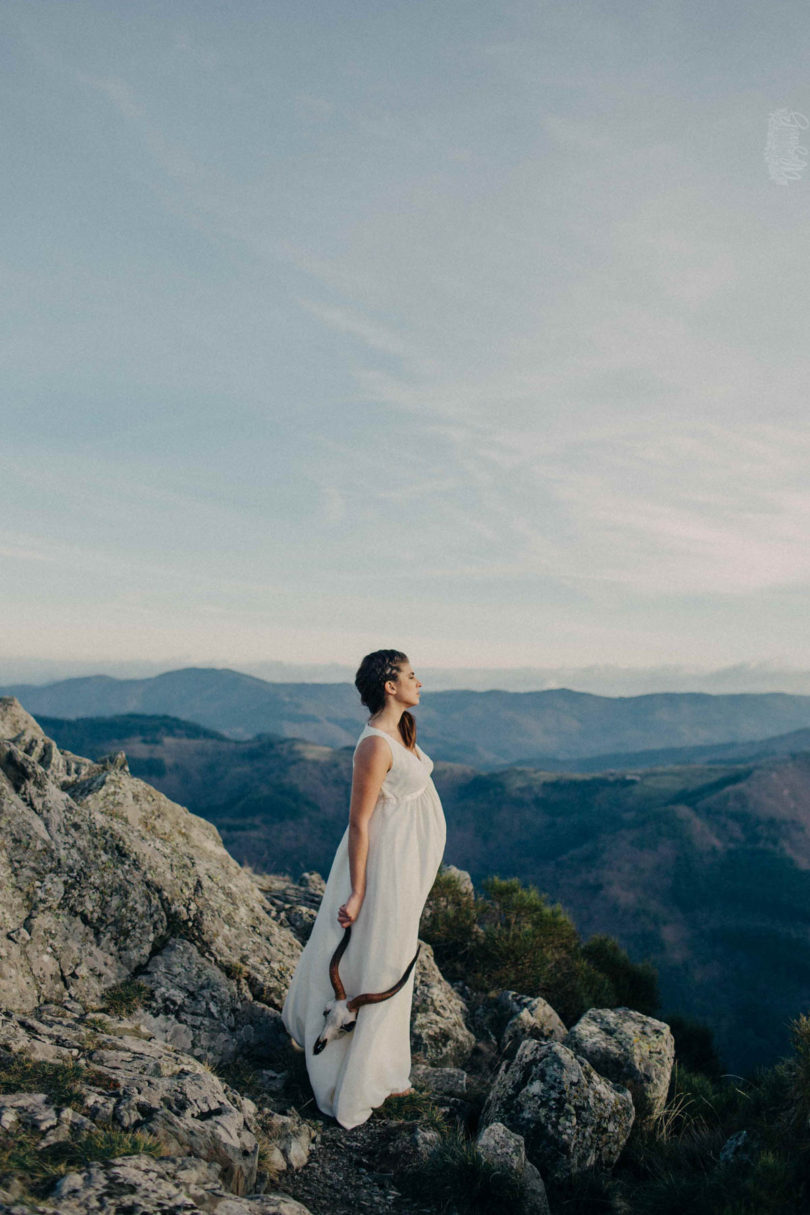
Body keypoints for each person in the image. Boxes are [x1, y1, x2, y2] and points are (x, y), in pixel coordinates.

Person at [281, 649, 447, 1128]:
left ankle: (386, 1066)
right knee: (378, 960)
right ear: (390, 686)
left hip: (404, 867)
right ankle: (354, 1073)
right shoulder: (374, 745)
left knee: (390, 959)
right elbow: (358, 823)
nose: (420, 681)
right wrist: (357, 892)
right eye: (411, 675)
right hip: (381, 869)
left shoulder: (401, 731)